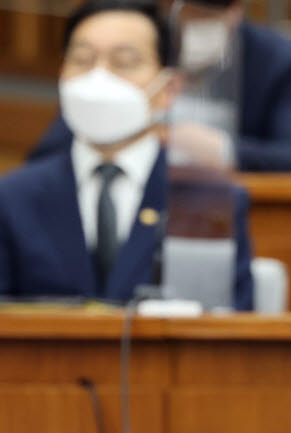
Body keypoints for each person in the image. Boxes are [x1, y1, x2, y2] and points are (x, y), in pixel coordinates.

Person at [0, 0, 253, 309]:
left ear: (169, 88)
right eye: (82, 59)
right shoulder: (12, 197)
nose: (99, 78)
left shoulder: (208, 199)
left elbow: (231, 332)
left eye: (124, 62)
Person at [27, 0, 291, 172]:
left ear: (235, 11)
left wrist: (220, 149)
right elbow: (47, 156)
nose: (187, 32)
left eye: (201, 20)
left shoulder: (277, 59)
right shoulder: (132, 46)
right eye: (179, 19)